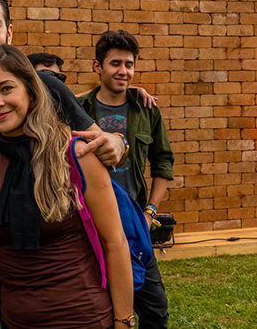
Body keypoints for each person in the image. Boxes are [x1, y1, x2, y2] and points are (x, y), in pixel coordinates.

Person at [0, 0, 132, 328]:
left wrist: (119, 142)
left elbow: (114, 239)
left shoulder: (70, 144)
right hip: (6, 297)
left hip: (80, 313)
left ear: (31, 91)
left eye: (6, 89)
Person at [78, 30, 174, 328]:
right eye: (115, 63)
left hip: (134, 222)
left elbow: (163, 161)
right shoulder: (79, 108)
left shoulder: (146, 109)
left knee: (155, 310)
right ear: (98, 66)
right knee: (99, 306)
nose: (123, 71)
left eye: (129, 65)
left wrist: (150, 212)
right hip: (91, 224)